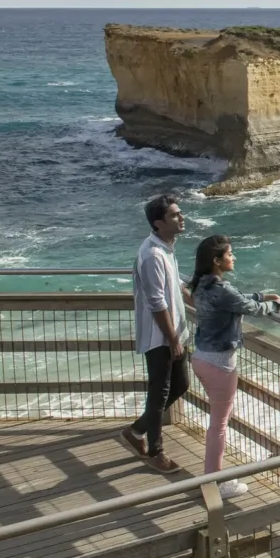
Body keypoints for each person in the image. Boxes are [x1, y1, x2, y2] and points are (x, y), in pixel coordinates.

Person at [187, 234, 280, 499]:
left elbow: (237, 300)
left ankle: (212, 478)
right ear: (216, 260)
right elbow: (251, 308)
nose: (233, 257)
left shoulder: (200, 285)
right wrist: (278, 304)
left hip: (201, 358)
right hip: (219, 364)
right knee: (219, 426)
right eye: (229, 254)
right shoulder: (221, 290)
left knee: (217, 423)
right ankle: (214, 483)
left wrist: (262, 295)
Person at [120, 193, 188, 472]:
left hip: (174, 333)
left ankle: (136, 431)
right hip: (160, 336)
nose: (181, 217)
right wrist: (172, 339)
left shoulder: (166, 248)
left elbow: (177, 285)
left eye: (179, 212)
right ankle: (155, 452)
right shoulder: (152, 255)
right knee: (159, 393)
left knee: (181, 385)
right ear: (158, 223)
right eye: (174, 215)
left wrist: (203, 301)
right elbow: (156, 302)